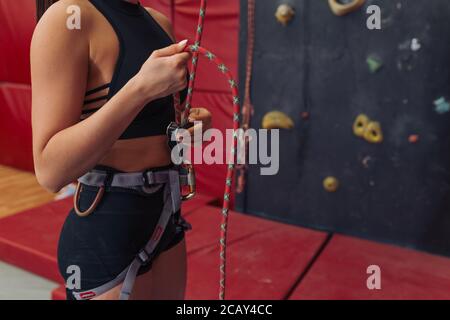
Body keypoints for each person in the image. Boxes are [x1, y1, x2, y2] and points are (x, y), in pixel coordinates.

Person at [31, 0, 212, 300]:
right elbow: (50, 171)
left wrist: (190, 126)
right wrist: (139, 89)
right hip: (108, 222)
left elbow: (151, 126)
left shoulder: (157, 22)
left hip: (166, 214)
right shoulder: (69, 17)